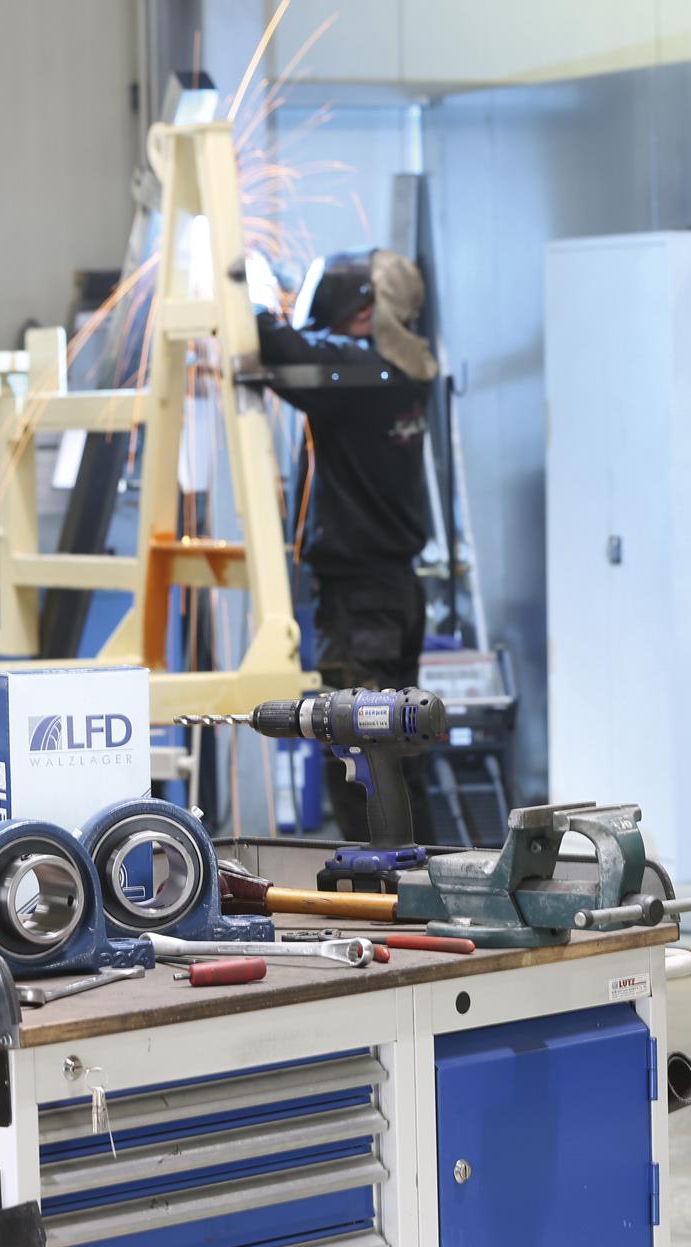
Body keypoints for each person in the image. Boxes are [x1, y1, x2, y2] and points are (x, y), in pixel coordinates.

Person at [255, 249, 440, 844]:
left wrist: (250, 297)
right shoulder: (405, 371)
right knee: (398, 749)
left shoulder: (361, 376)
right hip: (396, 593)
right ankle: (421, 876)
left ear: (366, 313)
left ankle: (378, 884)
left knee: (355, 745)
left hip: (362, 604)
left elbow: (276, 344)